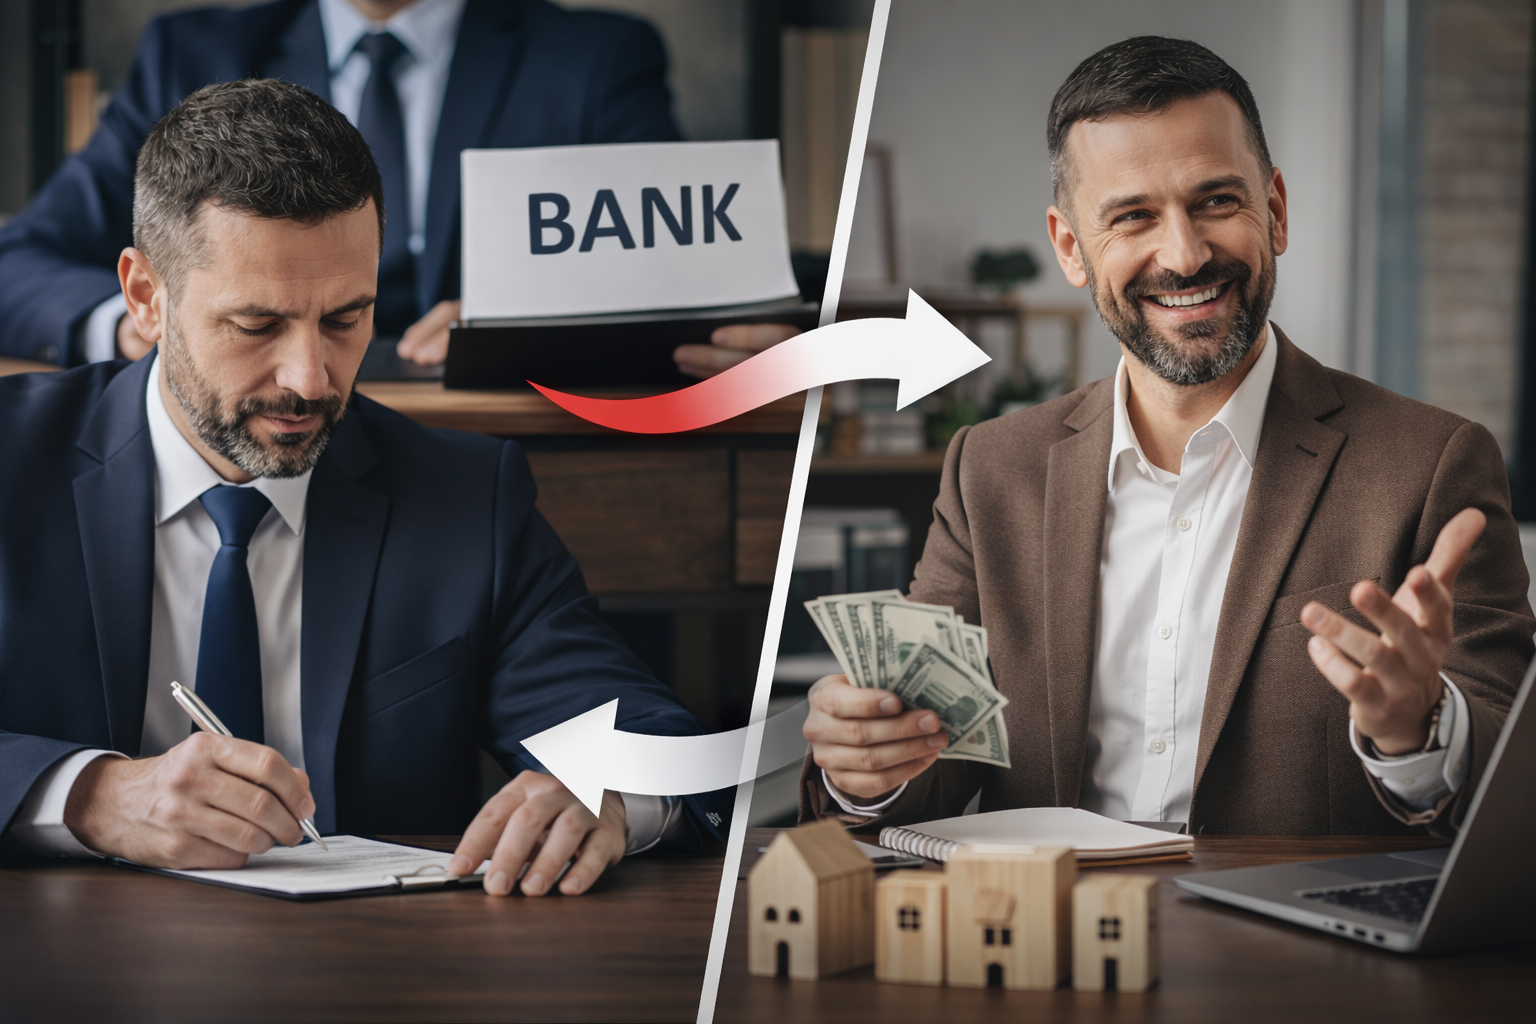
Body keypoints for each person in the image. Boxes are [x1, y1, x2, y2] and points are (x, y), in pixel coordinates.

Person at [0, 80, 729, 896]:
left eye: (345, 319)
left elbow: (663, 746)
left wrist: (613, 792)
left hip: (381, 968)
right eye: (257, 325)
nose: (309, 379)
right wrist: (90, 797)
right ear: (146, 298)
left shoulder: (463, 496)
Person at [798, 36, 1535, 838]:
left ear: (1276, 211)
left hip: (1294, 956)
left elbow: (1515, 790)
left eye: (1217, 201)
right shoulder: (991, 472)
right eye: (1133, 217)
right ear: (1072, 248)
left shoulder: (1431, 464)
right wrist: (865, 765)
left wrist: (1421, 730)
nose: (1184, 255)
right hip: (1049, 940)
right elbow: (919, 760)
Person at [0, 0, 682, 368]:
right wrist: (146, 323)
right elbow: (17, 266)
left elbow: (673, 273)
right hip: (250, 426)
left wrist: (527, 322)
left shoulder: (595, 59)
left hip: (499, 432)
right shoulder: (191, 57)